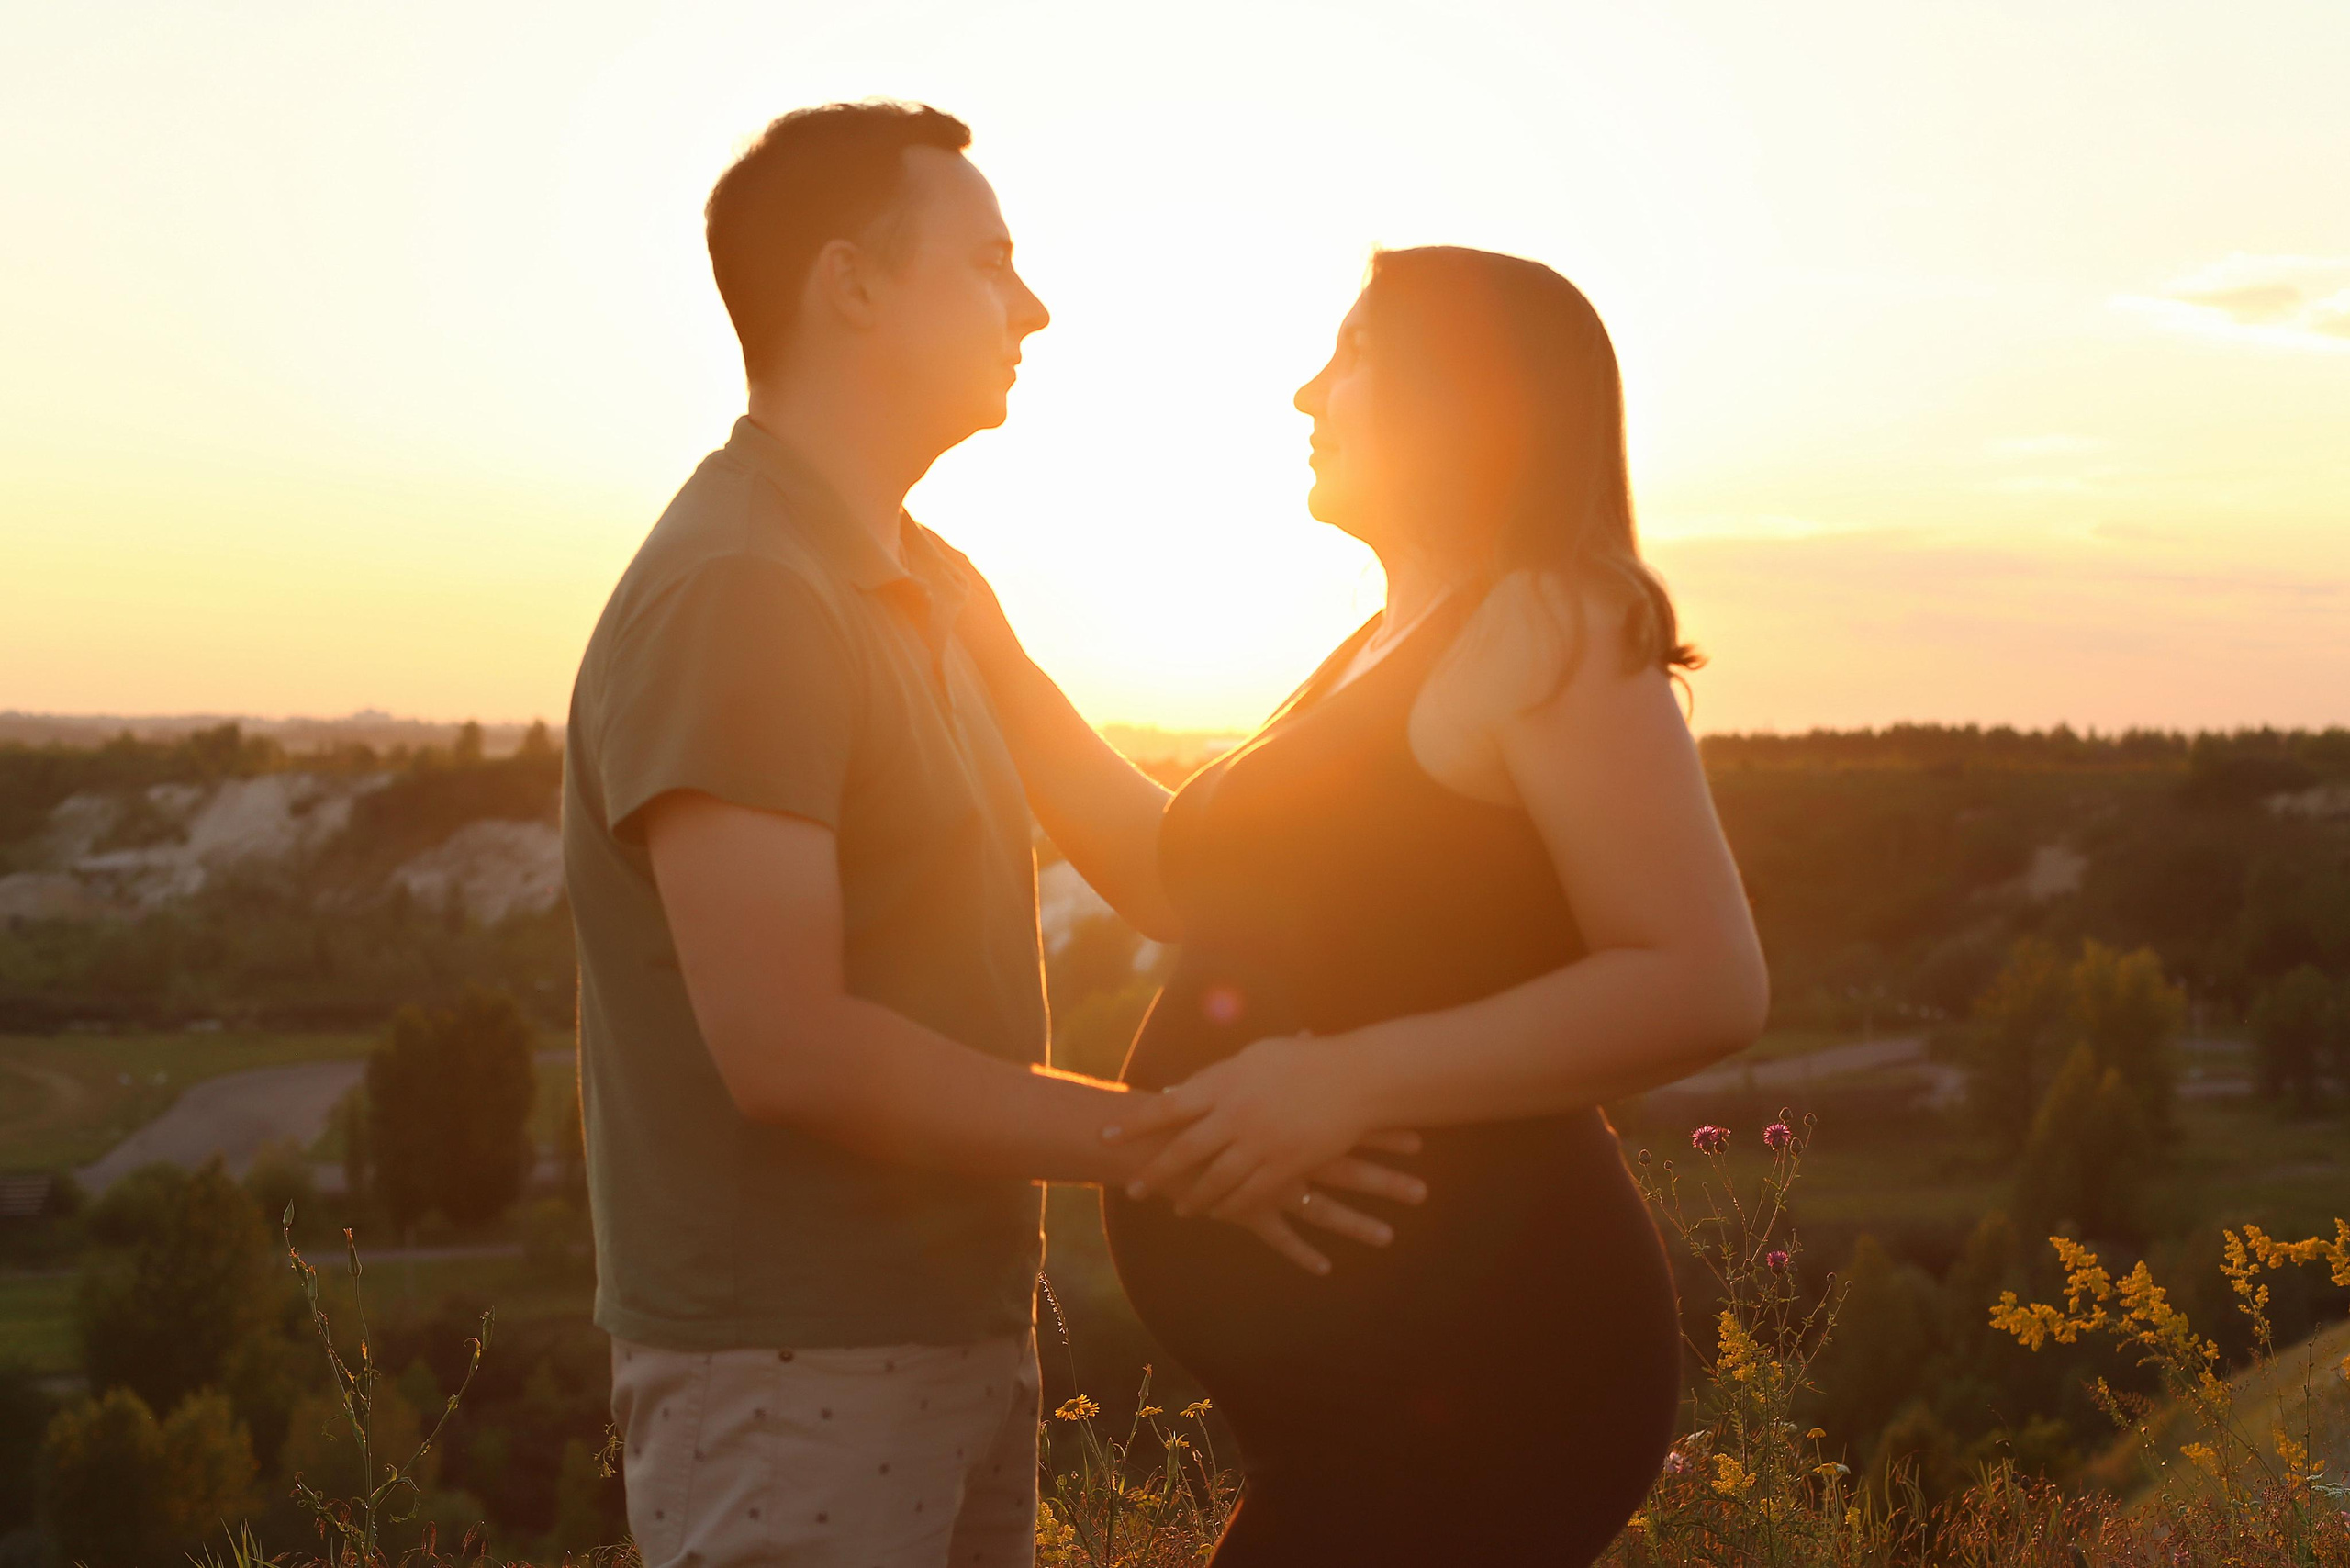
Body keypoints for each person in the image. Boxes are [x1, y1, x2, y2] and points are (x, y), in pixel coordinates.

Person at [560, 101, 1421, 1568]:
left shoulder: (926, 583)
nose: (1032, 304)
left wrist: (1458, 765)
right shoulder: (747, 590)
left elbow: (1159, 868)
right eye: (988, 264)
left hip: (947, 1324)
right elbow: (786, 1046)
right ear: (853, 286)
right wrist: (1169, 1144)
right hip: (791, 1366)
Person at [955, 245, 1770, 1564]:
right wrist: (985, 647)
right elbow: (1172, 878)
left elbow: (1702, 978)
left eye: (1351, 354)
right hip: (1372, 1398)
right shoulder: (1385, 641)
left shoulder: (1545, 622)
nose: (1305, 394)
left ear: (1461, 396)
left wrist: (1344, 1082)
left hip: (1489, 1364)